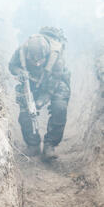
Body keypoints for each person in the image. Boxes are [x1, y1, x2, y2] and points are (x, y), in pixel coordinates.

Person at [9, 27, 71, 160]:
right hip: (30, 82)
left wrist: (41, 101)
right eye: (33, 60)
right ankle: (33, 144)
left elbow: (54, 82)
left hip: (55, 82)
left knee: (59, 108)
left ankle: (50, 144)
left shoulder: (56, 56)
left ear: (47, 55)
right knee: (25, 113)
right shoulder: (21, 51)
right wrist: (20, 72)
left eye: (40, 60)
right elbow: (12, 66)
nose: (37, 63)